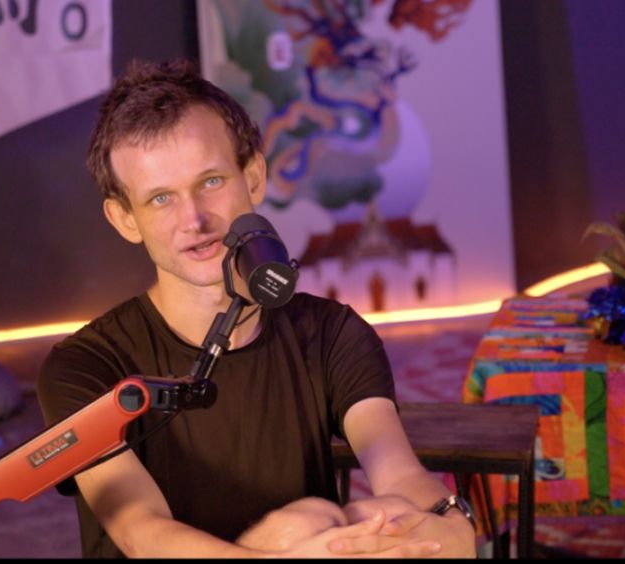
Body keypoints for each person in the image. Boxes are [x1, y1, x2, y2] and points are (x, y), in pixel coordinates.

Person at [36, 58, 478, 558]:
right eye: (161, 199)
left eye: (210, 182)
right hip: (293, 550)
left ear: (254, 178)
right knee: (304, 524)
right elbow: (141, 531)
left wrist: (448, 522)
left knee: (366, 517)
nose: (194, 219)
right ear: (124, 219)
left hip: (315, 548)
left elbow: (398, 474)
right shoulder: (83, 367)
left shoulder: (332, 333)